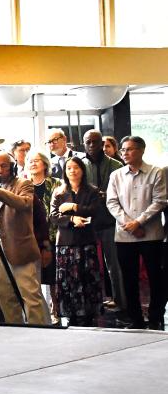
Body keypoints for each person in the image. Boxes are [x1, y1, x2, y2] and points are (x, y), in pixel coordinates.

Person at [106, 136, 167, 329]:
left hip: (151, 234)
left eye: (130, 149)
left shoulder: (156, 172)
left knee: (155, 277)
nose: (125, 153)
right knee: (128, 279)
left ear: (141, 150)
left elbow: (160, 201)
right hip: (124, 235)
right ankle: (135, 318)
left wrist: (139, 222)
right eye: (123, 150)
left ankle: (156, 316)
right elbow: (111, 202)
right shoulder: (116, 175)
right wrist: (129, 223)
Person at [0, 151, 48, 325]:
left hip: (20, 246)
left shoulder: (23, 183)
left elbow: (23, 203)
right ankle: (15, 329)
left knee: (30, 294)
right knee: (4, 295)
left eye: (3, 166)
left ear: (13, 167)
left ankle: (40, 331)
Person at [50, 156, 103, 326]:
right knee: (68, 280)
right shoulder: (59, 191)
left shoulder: (92, 190)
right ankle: (70, 313)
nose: (72, 171)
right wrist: (72, 219)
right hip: (65, 242)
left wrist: (74, 207)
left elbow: (94, 211)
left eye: (76, 167)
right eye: (69, 168)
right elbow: (53, 216)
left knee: (87, 277)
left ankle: (89, 313)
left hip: (86, 240)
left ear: (82, 170)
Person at [81, 129, 125, 314]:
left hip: (110, 221)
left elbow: (123, 193)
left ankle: (121, 302)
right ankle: (92, 302)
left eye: (95, 142)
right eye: (88, 142)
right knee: (87, 266)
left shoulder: (116, 165)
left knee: (114, 265)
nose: (92, 145)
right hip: (86, 222)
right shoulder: (80, 164)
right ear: (83, 144)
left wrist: (107, 195)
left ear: (102, 143)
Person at [24, 150, 59, 320]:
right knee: (33, 276)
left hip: (53, 233)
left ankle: (56, 308)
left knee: (53, 276)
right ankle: (39, 313)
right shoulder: (23, 184)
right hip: (31, 235)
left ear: (45, 164)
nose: (33, 163)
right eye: (30, 161)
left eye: (36, 160)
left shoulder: (55, 183)